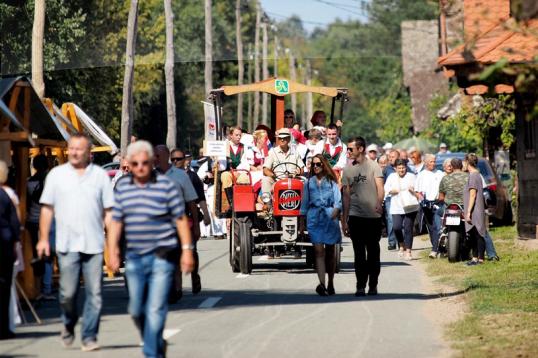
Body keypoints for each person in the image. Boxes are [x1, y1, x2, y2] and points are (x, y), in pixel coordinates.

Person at [107, 140, 194, 358]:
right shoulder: (123, 187)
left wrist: (186, 250)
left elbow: (180, 219)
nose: (140, 168)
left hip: (162, 257)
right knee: (137, 310)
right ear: (129, 164)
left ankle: (152, 352)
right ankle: (155, 340)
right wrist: (112, 251)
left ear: (152, 161)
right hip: (135, 257)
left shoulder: (165, 186)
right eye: (135, 164)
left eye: (145, 162)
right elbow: (116, 221)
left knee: (155, 307)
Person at [36, 133, 114, 351]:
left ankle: (89, 336)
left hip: (94, 244)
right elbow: (47, 209)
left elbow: (109, 213)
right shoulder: (56, 175)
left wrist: (113, 246)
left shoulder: (100, 176)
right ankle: (69, 324)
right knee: (68, 293)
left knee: (95, 294)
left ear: (89, 152)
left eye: (79, 149)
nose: (74, 152)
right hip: (66, 244)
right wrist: (43, 238)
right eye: (71, 148)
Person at [154, 145, 199, 302]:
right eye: (154, 156)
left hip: (177, 224)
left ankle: (177, 289)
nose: (156, 159)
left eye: (159, 156)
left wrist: (197, 228)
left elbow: (192, 202)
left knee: (175, 257)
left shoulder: (181, 176)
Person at [342, 137, 384, 297]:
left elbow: (380, 188)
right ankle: (360, 286)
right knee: (358, 253)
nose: (348, 152)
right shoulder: (347, 170)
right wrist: (344, 219)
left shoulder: (374, 166)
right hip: (355, 215)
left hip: (373, 216)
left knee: (373, 252)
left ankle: (373, 284)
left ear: (360, 149)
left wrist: (379, 203)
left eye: (351, 149)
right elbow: (346, 196)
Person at [439, 158, 499, 261]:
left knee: (439, 216)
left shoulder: (445, 179)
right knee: (480, 230)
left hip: (451, 207)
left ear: (452, 167)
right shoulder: (469, 176)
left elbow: (441, 197)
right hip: (466, 207)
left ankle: (441, 238)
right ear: (461, 166)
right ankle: (490, 254)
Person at [300, 155, 341, 296]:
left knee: (330, 251)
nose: (316, 167)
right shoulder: (308, 183)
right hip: (314, 217)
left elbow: (338, 200)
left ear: (324, 165)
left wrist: (335, 211)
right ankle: (322, 283)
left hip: (329, 216)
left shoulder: (331, 182)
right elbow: (304, 204)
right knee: (318, 251)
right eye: (313, 165)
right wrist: (301, 223)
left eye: (318, 164)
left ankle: (331, 282)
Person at [171, 148, 211, 295]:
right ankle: (177, 287)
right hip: (172, 221)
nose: (176, 162)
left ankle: (194, 276)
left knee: (191, 251)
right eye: (173, 159)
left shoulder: (192, 177)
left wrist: (206, 215)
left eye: (179, 159)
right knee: (175, 253)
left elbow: (200, 198)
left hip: (189, 219)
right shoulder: (167, 177)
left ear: (185, 160)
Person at [262, 128, 305, 258]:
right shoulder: (273, 152)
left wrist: (297, 172)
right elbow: (265, 169)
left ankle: (304, 206)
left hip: (293, 180)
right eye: (280, 138)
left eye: (285, 138)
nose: (283, 140)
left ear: (289, 139)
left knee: (306, 183)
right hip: (278, 180)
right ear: (278, 139)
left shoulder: (295, 152)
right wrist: (273, 175)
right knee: (266, 180)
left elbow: (302, 168)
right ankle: (268, 203)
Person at [26, 155, 55, 300]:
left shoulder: (28, 183)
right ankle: (47, 288)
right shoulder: (51, 182)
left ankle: (35, 287)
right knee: (49, 255)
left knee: (36, 255)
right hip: (49, 220)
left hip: (32, 220)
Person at [384, 159, 419, 260]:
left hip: (410, 205)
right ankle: (401, 244)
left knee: (408, 228)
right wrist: (391, 191)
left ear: (406, 167)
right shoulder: (391, 177)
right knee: (396, 227)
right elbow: (386, 189)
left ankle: (408, 251)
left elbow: (418, 190)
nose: (401, 170)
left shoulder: (412, 176)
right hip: (397, 205)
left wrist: (413, 191)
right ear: (395, 168)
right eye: (399, 168)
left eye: (403, 168)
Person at [0, 176, 20, 340]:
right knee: (5, 288)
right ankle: (4, 327)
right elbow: (14, 221)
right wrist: (15, 243)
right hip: (4, 245)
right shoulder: (5, 195)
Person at [415, 154, 444, 258]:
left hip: (438, 204)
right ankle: (437, 248)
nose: (433, 163)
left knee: (437, 226)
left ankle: (434, 250)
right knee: (431, 228)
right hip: (426, 205)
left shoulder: (440, 173)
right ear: (426, 163)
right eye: (431, 162)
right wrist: (422, 200)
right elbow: (417, 192)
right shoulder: (421, 175)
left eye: (434, 161)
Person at [463, 153, 487, 266]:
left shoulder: (473, 176)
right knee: (474, 234)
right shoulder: (476, 174)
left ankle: (479, 258)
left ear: (467, 163)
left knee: (477, 234)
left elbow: (473, 195)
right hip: (476, 209)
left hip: (475, 210)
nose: (463, 164)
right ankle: (475, 258)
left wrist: (468, 212)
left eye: (464, 162)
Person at [384, 150, 400, 250]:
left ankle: (401, 241)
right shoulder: (386, 169)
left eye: (393, 157)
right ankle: (392, 242)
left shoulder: (404, 167)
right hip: (390, 198)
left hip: (401, 198)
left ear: (398, 157)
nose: (390, 158)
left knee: (400, 220)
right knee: (390, 219)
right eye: (389, 157)